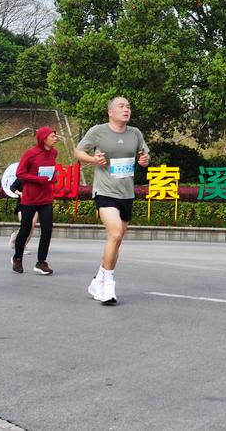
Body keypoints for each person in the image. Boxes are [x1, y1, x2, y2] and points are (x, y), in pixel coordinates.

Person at [75, 96, 150, 306]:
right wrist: (93, 160)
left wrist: (145, 160)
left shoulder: (135, 133)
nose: (126, 109)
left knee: (116, 240)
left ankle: (98, 279)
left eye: (128, 106)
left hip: (126, 193)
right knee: (115, 232)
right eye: (121, 106)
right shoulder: (98, 131)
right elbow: (78, 151)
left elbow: (144, 155)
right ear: (110, 112)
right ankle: (108, 284)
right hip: (105, 191)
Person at [12, 126, 58, 275]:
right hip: (30, 198)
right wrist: (38, 179)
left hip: (46, 198)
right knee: (25, 229)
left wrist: (53, 178)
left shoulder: (54, 153)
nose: (55, 138)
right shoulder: (30, 154)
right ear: (44, 138)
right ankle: (17, 258)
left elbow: (49, 171)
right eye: (52, 136)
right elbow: (20, 173)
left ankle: (41, 262)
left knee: (47, 230)